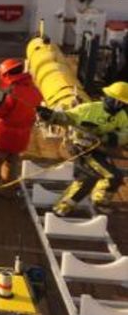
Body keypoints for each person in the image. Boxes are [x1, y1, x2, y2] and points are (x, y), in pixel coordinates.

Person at [36, 82, 128, 216]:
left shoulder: (122, 117)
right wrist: (50, 116)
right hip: (78, 147)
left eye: (124, 104)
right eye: (121, 102)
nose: (122, 106)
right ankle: (62, 209)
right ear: (111, 98)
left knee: (109, 177)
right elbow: (66, 117)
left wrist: (108, 138)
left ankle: (96, 202)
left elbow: (125, 134)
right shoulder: (88, 109)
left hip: (96, 150)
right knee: (92, 178)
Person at [0, 59, 42, 200]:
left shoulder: (10, 91)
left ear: (5, 74)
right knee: (11, 164)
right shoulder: (34, 90)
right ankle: (9, 192)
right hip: (22, 137)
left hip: (3, 136)